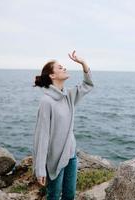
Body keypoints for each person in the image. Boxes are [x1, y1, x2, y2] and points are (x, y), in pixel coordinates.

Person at [33, 50, 94, 200]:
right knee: (53, 196)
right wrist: (40, 168)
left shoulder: (68, 95)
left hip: (71, 155)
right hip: (54, 158)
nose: (64, 68)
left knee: (70, 195)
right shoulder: (46, 102)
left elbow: (87, 85)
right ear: (52, 76)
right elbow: (42, 136)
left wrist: (83, 63)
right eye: (60, 67)